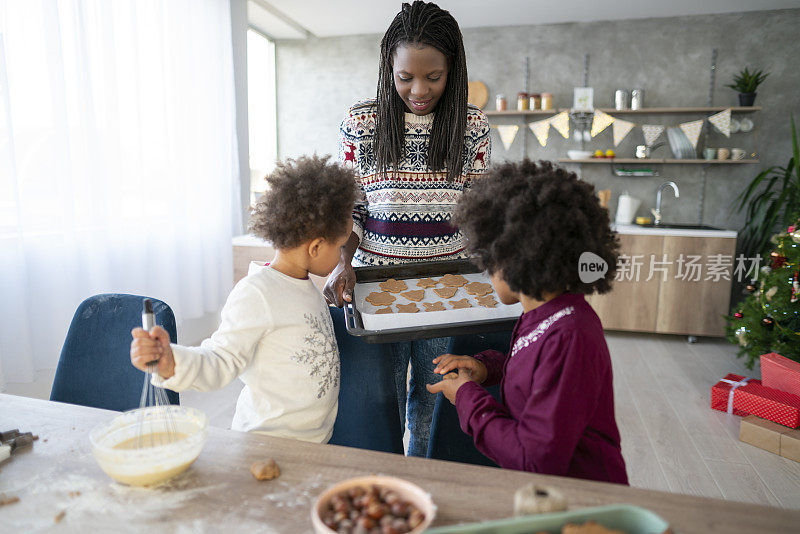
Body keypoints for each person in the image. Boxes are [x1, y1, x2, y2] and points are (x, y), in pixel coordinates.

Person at [324, 1, 491, 457]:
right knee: (382, 402)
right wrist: (342, 263)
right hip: (375, 287)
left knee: (434, 400)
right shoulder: (362, 124)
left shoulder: (471, 126)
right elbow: (352, 211)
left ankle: (423, 482)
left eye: (433, 77)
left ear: (452, 71)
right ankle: (388, 485)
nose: (419, 90)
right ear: (388, 69)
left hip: (446, 289)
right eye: (405, 77)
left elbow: (476, 214)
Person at [427, 160, 629, 484]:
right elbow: (534, 374)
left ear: (515, 259)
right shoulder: (547, 313)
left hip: (584, 502)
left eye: (488, 260)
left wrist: (467, 396)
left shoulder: (570, 335)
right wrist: (486, 368)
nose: (486, 271)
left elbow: (534, 460)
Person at [130, 155, 356, 443]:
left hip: (313, 444)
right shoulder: (258, 293)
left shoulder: (304, 285)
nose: (341, 257)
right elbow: (219, 359)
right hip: (265, 443)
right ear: (315, 247)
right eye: (339, 247)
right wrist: (170, 361)